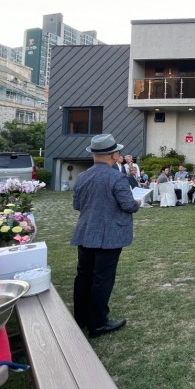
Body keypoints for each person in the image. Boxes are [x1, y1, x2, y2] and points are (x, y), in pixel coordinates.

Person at [72, 134, 142, 338]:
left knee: (83, 276)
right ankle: (98, 322)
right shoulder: (116, 177)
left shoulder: (82, 176)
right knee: (102, 279)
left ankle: (81, 318)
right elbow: (128, 205)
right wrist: (137, 203)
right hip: (109, 235)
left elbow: (77, 205)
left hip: (85, 232)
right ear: (113, 154)